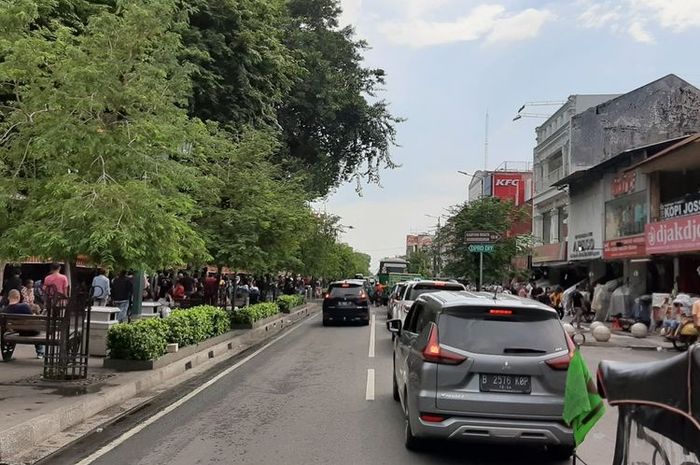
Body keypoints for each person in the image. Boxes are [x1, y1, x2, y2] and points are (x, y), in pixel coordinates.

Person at [5, 289, 44, 358]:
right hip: (32, 332)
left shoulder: (5, 310)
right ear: (18, 297)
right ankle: (40, 352)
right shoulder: (24, 306)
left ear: (8, 297)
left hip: (19, 332)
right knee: (35, 328)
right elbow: (33, 319)